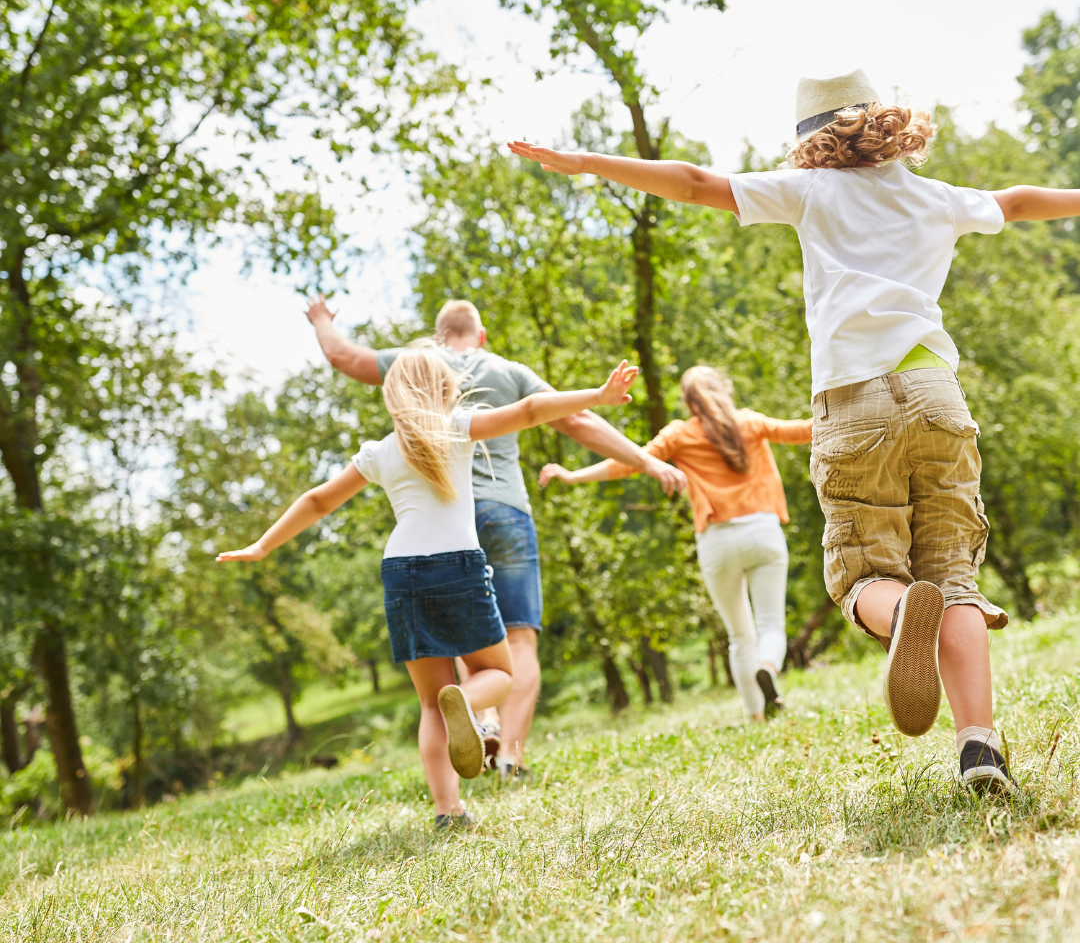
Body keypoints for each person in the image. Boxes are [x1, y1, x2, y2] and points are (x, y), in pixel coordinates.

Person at [509, 69, 1080, 793]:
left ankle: (902, 610)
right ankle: (979, 748)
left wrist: (590, 163)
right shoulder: (932, 196)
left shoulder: (811, 191)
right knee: (954, 577)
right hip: (939, 396)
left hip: (853, 401)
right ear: (881, 124)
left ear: (814, 142)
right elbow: (1020, 201)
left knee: (865, 573)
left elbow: (691, 181)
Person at [217, 347, 640, 827]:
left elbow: (317, 501)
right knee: (499, 675)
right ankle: (468, 701)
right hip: (457, 565)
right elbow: (528, 410)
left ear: (393, 395)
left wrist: (262, 545)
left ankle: (447, 810)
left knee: (428, 702)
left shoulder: (378, 452)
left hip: (400, 571)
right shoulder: (457, 427)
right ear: (445, 390)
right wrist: (598, 396)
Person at [304, 297, 686, 779]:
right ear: (480, 336)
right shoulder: (507, 369)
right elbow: (572, 419)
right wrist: (646, 460)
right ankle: (511, 755)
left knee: (469, 639)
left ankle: (481, 722)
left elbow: (344, 357)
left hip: (442, 526)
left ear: (438, 336)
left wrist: (321, 319)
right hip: (506, 513)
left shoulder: (415, 363)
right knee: (518, 642)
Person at [540, 365, 811, 721]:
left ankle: (754, 716)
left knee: (738, 635)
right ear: (723, 390)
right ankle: (768, 668)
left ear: (688, 402)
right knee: (770, 626)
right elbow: (805, 431)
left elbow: (631, 461)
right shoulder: (751, 422)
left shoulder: (680, 435)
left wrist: (575, 475)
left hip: (717, 542)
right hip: (762, 531)